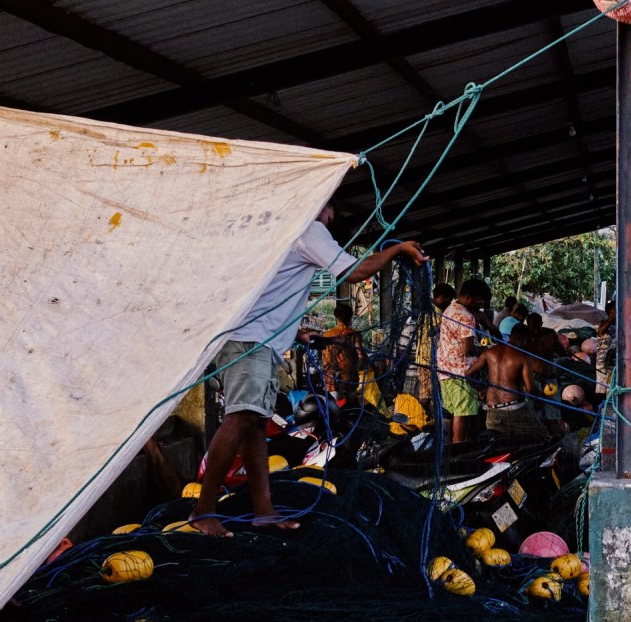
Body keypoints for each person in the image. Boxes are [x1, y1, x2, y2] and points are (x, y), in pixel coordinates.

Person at [191, 207, 424, 536]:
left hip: (257, 340)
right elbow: (355, 271)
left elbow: (273, 292)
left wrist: (295, 332)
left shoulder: (284, 230)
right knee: (241, 418)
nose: (331, 215)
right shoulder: (309, 229)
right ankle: (203, 509)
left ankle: (264, 510)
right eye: (331, 207)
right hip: (250, 343)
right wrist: (397, 249)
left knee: (256, 425)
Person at [468, 324, 546, 443]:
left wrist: (481, 389)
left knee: (498, 447)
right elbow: (530, 389)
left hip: (493, 411)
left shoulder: (490, 352)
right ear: (523, 339)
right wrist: (541, 399)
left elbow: (468, 374)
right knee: (545, 439)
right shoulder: (524, 357)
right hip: (517, 410)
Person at [439, 278, 492, 444]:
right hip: (461, 373)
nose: (481, 304)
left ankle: (457, 446)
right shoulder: (466, 315)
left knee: (457, 412)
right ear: (469, 297)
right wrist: (485, 351)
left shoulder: (450, 308)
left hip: (445, 370)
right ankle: (459, 450)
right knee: (462, 413)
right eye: (479, 300)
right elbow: (468, 349)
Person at [319, 300, 361, 402]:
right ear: (350, 318)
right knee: (351, 405)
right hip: (349, 378)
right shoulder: (354, 334)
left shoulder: (326, 335)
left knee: (333, 406)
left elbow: (323, 358)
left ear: (336, 318)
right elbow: (360, 355)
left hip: (331, 379)